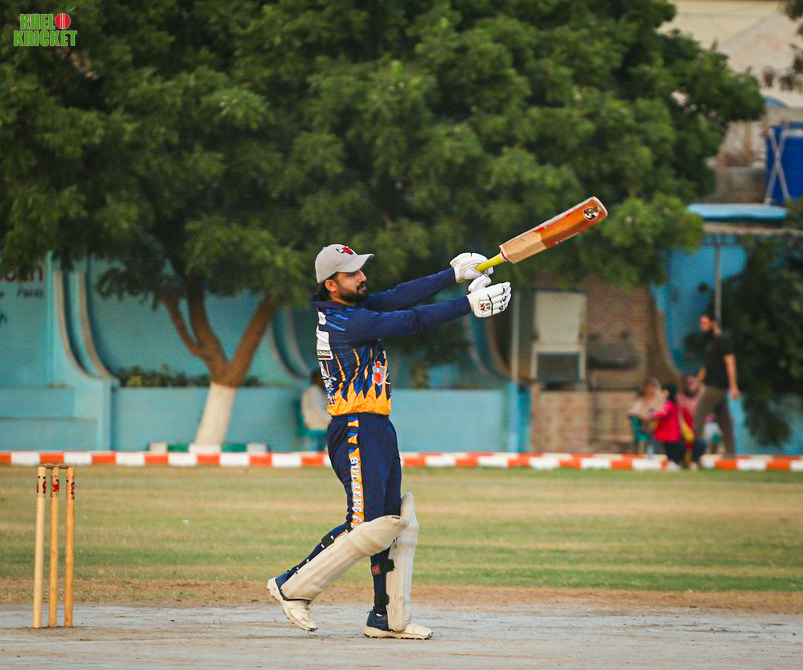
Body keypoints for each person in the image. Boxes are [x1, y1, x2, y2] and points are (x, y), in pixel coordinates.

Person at [267, 243, 511, 640]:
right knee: (366, 526)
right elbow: (412, 319)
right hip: (354, 429)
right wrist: (469, 304)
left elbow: (399, 296)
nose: (362, 277)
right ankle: (291, 586)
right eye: (351, 273)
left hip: (377, 426)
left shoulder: (356, 309)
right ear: (331, 284)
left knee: (396, 523)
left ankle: (388, 616)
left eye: (361, 269)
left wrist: (453, 276)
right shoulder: (345, 322)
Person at [693, 313, 739, 456]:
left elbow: (730, 362)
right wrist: (697, 382)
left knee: (698, 415)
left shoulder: (722, 341)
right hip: (712, 385)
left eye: (704, 323)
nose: (702, 326)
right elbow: (706, 366)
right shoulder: (710, 342)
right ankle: (731, 454)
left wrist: (733, 386)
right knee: (724, 422)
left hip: (717, 386)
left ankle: (695, 453)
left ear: (713, 324)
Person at [650, 382, 694, 471]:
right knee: (673, 447)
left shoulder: (669, 404)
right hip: (674, 431)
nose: (663, 393)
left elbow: (663, 413)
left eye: (664, 391)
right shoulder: (676, 404)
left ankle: (671, 462)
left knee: (669, 448)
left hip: (669, 432)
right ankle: (674, 462)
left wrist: (653, 414)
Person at [627, 377, 664, 453]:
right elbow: (633, 411)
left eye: (651, 386)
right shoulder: (640, 399)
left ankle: (654, 452)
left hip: (657, 424)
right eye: (647, 387)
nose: (649, 389)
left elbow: (662, 411)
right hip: (644, 424)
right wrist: (642, 415)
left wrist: (652, 416)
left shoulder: (660, 400)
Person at [300, 368, 330, 450]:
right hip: (316, 426)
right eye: (322, 376)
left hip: (321, 425)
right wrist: (330, 420)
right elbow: (318, 409)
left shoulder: (320, 391)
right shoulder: (314, 390)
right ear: (316, 378)